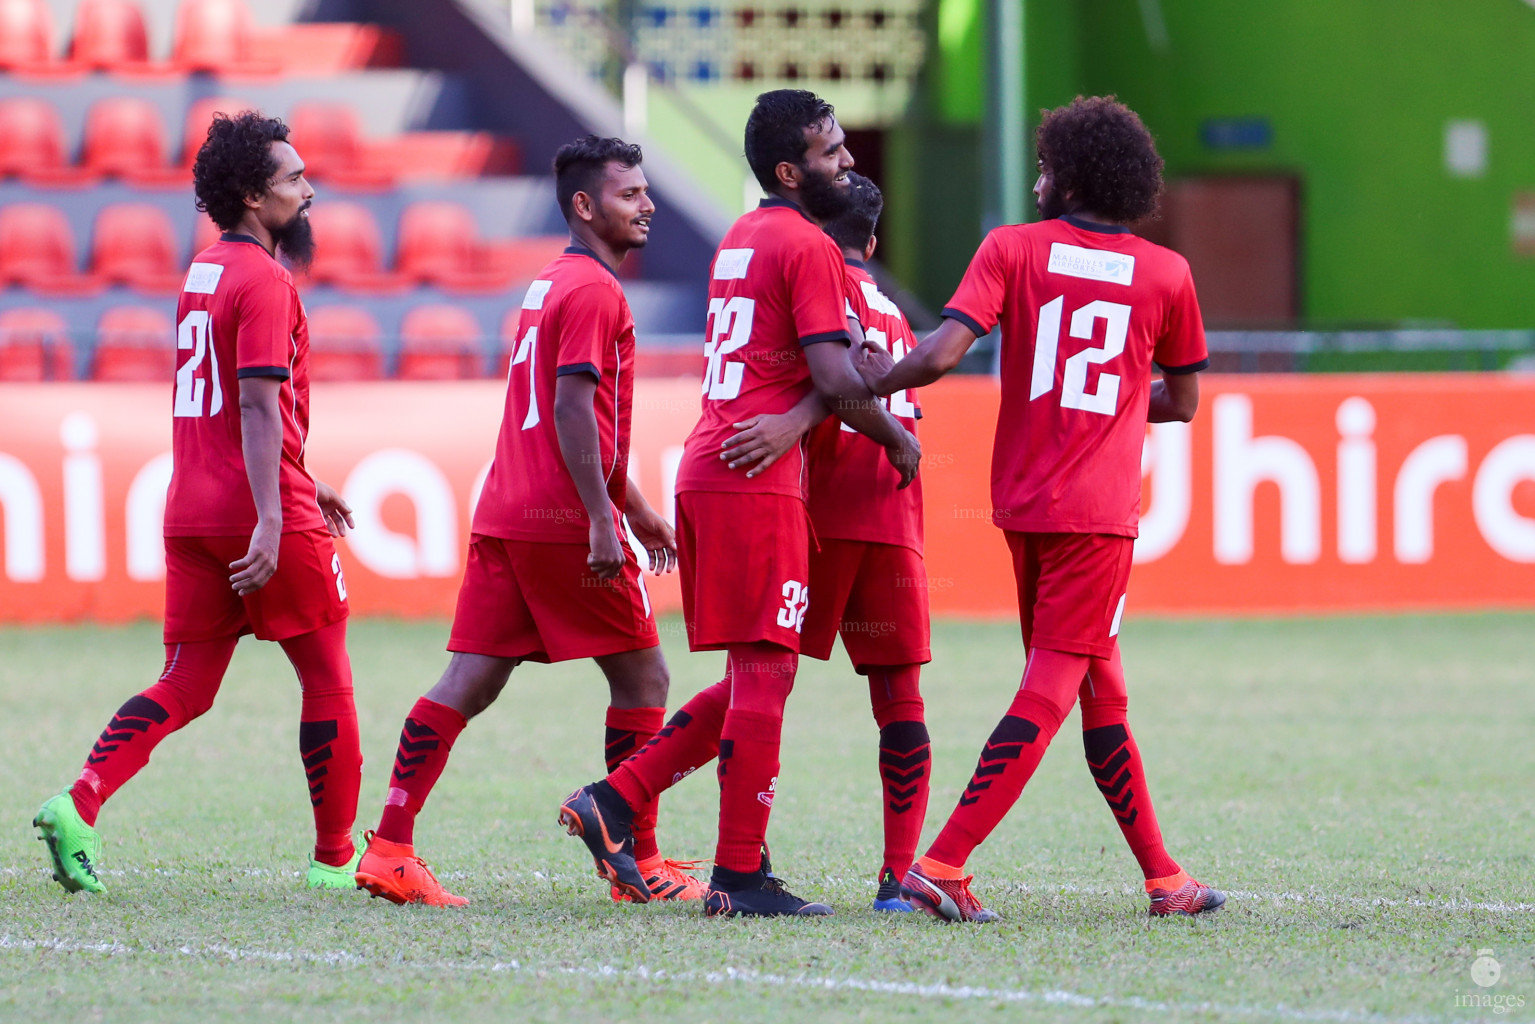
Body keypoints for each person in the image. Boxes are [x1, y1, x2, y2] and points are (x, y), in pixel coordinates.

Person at [857, 96, 1225, 922]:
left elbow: (941, 355)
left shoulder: (1011, 250)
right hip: (1096, 516)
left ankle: (1164, 877)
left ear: (1067, 174)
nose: (1034, 180)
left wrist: (871, 377)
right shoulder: (1168, 274)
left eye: (1043, 166)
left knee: (1100, 691)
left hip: (1022, 505)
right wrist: (1123, 401)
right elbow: (1184, 402)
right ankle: (943, 862)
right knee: (1053, 689)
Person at [559, 90, 922, 918]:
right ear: (792, 170)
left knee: (765, 670)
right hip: (751, 478)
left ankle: (618, 802)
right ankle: (738, 876)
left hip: (720, 465)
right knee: (763, 674)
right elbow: (833, 380)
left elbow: (801, 372)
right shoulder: (806, 245)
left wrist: (811, 404)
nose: (848, 161)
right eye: (832, 152)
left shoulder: (743, 236)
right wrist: (896, 438)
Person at [352, 136, 697, 907]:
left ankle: (389, 847)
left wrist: (635, 509)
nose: (645, 204)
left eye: (645, 191)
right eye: (628, 193)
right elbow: (574, 408)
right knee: (643, 674)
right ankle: (636, 857)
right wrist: (604, 519)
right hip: (561, 521)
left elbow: (583, 416)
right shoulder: (596, 292)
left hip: (510, 509)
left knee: (470, 679)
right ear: (583, 205)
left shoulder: (550, 285)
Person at [33, 111, 364, 893]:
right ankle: (334, 862)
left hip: (191, 504)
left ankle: (79, 803)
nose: (309, 190)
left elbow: (225, 403)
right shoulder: (267, 279)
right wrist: (280, 513)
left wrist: (301, 478)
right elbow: (254, 404)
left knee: (186, 682)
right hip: (254, 505)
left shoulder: (205, 271)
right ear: (254, 194)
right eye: (293, 179)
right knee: (327, 677)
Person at [720, 173, 932, 912]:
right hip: (893, 517)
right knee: (900, 698)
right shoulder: (897, 314)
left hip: (816, 510)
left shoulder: (810, 271)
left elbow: (831, 377)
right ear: (873, 240)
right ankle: (897, 881)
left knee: (754, 682)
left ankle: (627, 796)